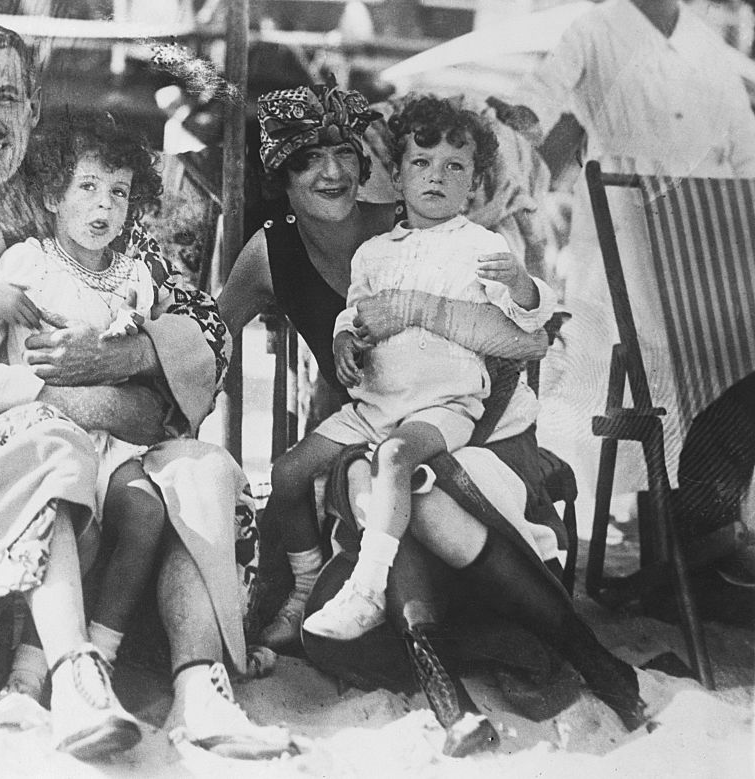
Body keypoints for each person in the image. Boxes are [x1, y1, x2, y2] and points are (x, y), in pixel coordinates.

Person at [0, 25, 293, 760]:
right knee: (46, 442)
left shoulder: (78, 185)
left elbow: (204, 324)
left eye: (5, 98)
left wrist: (129, 351)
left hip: (105, 437)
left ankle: (198, 681)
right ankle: (71, 668)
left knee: (195, 466)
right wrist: (104, 397)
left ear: (33, 108)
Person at [220, 81, 648, 753]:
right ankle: (464, 675)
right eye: (307, 160)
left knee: (411, 489)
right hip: (375, 419)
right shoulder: (324, 250)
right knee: (376, 481)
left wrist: (433, 308)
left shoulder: (455, 230)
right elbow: (224, 333)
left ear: (369, 165)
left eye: (344, 154)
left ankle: (473, 678)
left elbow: (533, 339)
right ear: (282, 174)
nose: (331, 172)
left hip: (476, 425)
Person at [299, 96, 556, 641]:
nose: (435, 178)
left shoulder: (482, 246)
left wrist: (518, 282)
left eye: (453, 167)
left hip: (443, 407)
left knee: (394, 460)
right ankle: (298, 588)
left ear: (474, 184)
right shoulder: (373, 253)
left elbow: (531, 321)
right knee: (287, 472)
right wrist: (346, 339)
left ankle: (367, 589)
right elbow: (355, 311)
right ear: (397, 174)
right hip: (375, 405)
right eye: (421, 163)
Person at [519, 0, 755, 552]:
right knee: (653, 378)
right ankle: (672, 553)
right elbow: (537, 98)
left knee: (720, 368)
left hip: (707, 245)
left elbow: (746, 152)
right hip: (624, 241)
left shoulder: (708, 44)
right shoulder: (595, 29)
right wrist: (509, 127)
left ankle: (700, 542)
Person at [0, 114, 171, 697]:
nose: (104, 206)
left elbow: (145, 354)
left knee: (144, 513)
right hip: (41, 430)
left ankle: (102, 652)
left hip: (112, 435)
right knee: (76, 527)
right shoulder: (30, 262)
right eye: (88, 187)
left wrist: (134, 320)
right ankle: (34, 670)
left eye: (119, 192)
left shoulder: (130, 275)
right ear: (54, 194)